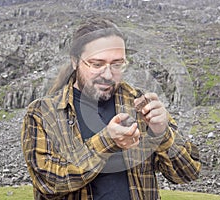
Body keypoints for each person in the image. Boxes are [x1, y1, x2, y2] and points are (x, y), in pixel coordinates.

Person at [21, 17, 201, 200]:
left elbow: (188, 173)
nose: (108, 75)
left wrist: (162, 133)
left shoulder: (141, 105)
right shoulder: (43, 113)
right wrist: (106, 142)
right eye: (97, 64)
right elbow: (49, 183)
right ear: (75, 61)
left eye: (117, 64)